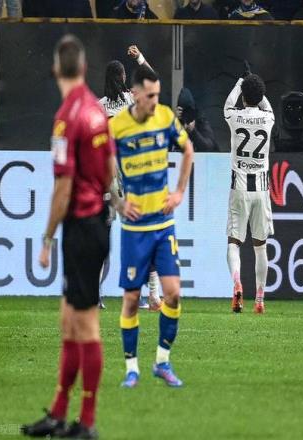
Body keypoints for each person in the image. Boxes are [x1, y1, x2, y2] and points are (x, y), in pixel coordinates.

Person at [21, 34, 114, 439]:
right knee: (68, 319)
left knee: (85, 325)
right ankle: (60, 413)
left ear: (57, 69)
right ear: (85, 69)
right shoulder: (96, 110)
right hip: (97, 222)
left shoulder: (65, 117)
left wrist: (46, 238)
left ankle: (86, 422)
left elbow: (62, 187)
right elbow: (109, 170)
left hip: (81, 226)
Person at [109, 65, 194, 388]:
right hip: (134, 229)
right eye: (151, 95)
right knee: (131, 299)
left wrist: (179, 192)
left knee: (173, 294)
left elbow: (188, 149)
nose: (156, 101)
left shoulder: (165, 117)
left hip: (163, 224)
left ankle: (162, 361)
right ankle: (132, 369)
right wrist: (118, 202)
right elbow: (103, 165)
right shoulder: (117, 126)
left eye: (158, 95)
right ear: (135, 94)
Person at [98, 46, 162, 311]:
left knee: (101, 237)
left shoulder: (99, 106)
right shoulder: (130, 99)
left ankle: (94, 295)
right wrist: (140, 58)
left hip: (106, 175)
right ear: (124, 77)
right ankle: (152, 295)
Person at [224, 63, 275, 314]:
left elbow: (228, 104)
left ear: (243, 96)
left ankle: (237, 282)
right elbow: (265, 103)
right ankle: (260, 300)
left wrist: (240, 81)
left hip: (240, 187)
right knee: (260, 246)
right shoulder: (268, 117)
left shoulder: (234, 116)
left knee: (234, 241)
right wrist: (253, 84)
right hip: (261, 189)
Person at [176, 87, 219, 152]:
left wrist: (193, 131)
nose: (186, 114)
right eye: (183, 111)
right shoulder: (175, 124)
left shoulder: (200, 121)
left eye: (188, 111)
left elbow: (209, 147)